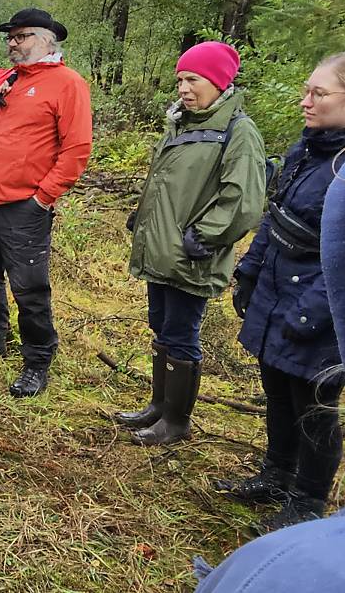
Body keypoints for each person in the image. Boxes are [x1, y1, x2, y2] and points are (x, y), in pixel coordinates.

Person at [192, 107, 345, 593]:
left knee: (314, 403)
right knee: (277, 387)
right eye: (307, 89)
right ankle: (276, 473)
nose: (307, 100)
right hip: (277, 287)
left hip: (318, 299)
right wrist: (250, 268)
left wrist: (311, 311)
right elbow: (276, 215)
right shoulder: (306, 150)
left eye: (320, 92)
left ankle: (307, 501)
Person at [117, 41, 266, 445]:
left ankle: (176, 421)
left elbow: (244, 200)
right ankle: (158, 407)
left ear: (218, 82)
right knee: (162, 328)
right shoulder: (181, 123)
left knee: (182, 334)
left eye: (193, 79)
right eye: (181, 79)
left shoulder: (238, 132)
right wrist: (143, 218)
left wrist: (204, 235)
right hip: (160, 248)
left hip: (191, 255)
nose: (183, 87)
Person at [0, 8, 93, 397]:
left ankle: (37, 359)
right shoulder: (6, 78)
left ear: (47, 39)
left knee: (29, 287)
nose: (13, 43)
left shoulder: (68, 84)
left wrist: (42, 198)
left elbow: (77, 149)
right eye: (10, 38)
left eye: (21, 36)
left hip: (25, 206)